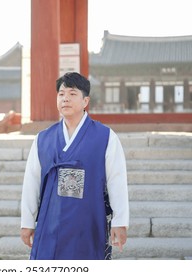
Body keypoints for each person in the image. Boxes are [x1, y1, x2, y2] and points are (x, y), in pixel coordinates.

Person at [20, 72, 129, 260]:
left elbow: (116, 181)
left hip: (88, 222)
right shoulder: (43, 139)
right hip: (50, 223)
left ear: (85, 101)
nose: (65, 99)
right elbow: (31, 183)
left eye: (72, 94)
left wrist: (120, 222)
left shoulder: (105, 137)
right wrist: (27, 222)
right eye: (61, 94)